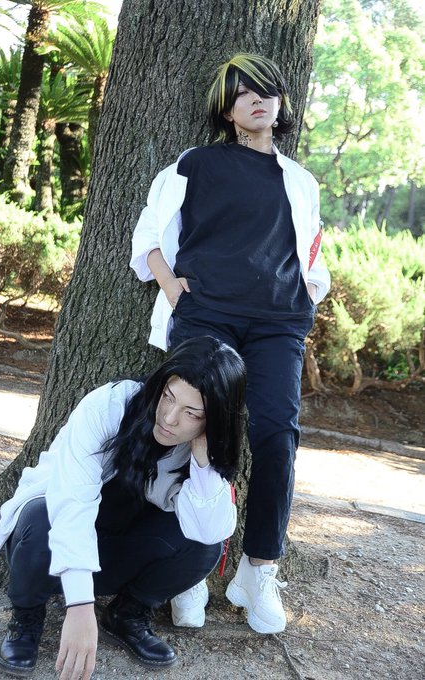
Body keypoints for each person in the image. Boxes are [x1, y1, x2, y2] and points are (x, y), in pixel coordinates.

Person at [130, 53, 331, 635]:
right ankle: (189, 567)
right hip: (208, 315)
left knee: (276, 436)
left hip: (278, 324)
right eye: (243, 93)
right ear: (226, 109)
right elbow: (148, 236)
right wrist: (174, 291)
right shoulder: (194, 164)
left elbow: (312, 251)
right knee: (195, 428)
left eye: (265, 90)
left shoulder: (300, 180)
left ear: (280, 102)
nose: (256, 100)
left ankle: (258, 570)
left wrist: (307, 298)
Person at [0, 336, 246, 679]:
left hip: (114, 551)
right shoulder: (110, 405)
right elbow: (72, 503)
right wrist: (80, 606)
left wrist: (203, 461)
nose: (169, 418)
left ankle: (126, 614)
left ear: (212, 420)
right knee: (42, 516)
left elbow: (209, 530)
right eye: (167, 397)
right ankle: (26, 617)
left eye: (192, 413)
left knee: (204, 544)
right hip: (46, 548)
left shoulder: (201, 450)